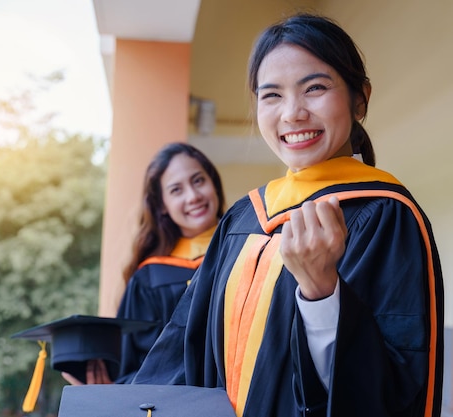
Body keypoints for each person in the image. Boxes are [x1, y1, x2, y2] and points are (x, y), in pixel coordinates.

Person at [132, 13, 444, 417]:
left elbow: (396, 389)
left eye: (314, 88)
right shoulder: (244, 218)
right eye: (272, 95)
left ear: (360, 98)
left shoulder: (385, 215)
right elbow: (182, 350)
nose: (292, 113)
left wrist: (322, 294)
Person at [62, 142, 226, 385]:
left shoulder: (251, 248)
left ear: (213, 183)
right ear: (162, 206)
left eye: (198, 180)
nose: (193, 196)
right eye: (176, 190)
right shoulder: (150, 278)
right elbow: (136, 367)